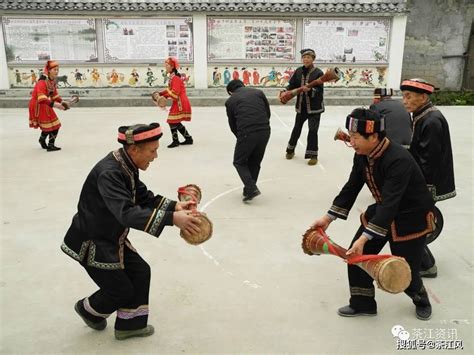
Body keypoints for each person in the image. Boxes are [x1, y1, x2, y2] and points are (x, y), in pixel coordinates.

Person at [61, 123, 201, 340]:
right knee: (120, 290)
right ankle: (87, 310)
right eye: (152, 150)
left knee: (141, 272)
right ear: (134, 149)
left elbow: (142, 196)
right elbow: (126, 213)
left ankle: (130, 326)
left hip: (112, 237)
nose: (155, 156)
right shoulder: (110, 173)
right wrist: (173, 219)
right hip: (93, 242)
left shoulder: (126, 164)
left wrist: (175, 207)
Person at [311, 108, 434, 320]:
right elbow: (352, 187)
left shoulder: (398, 159)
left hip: (409, 217)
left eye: (356, 137)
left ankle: (421, 299)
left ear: (374, 136)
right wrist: (328, 217)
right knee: (356, 258)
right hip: (383, 211)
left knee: (406, 271)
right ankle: (363, 304)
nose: (352, 142)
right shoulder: (362, 155)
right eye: (350, 137)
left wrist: (364, 237)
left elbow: (391, 203)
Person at [400, 78, 456, 278]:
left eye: (408, 97)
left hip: (428, 184)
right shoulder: (421, 114)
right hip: (424, 181)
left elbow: (428, 161)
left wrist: (417, 187)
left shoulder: (431, 120)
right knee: (414, 222)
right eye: (403, 96)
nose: (404, 101)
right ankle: (422, 261)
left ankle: (427, 265)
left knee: (414, 222)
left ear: (423, 97)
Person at [225, 80, 271, 202]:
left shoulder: (230, 101)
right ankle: (249, 189)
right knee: (255, 161)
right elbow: (267, 112)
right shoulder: (258, 92)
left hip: (247, 132)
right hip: (265, 130)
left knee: (239, 162)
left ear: (230, 92)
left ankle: (251, 187)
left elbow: (232, 124)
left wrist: (240, 136)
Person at [284, 48, 324, 166]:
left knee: (312, 130)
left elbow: (320, 90)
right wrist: (285, 90)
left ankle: (313, 155)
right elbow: (292, 85)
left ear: (313, 59)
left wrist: (311, 89)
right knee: (296, 128)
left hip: (314, 108)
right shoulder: (298, 71)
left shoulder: (319, 73)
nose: (306, 59)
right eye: (304, 57)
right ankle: (290, 150)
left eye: (309, 57)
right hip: (301, 106)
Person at [28, 60, 66, 151]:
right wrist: (56, 105)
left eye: (57, 70)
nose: (57, 71)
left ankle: (44, 141)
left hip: (46, 103)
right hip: (38, 104)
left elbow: (54, 95)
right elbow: (41, 98)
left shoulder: (52, 81)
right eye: (54, 70)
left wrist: (62, 102)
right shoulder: (42, 82)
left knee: (55, 125)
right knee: (50, 126)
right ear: (48, 70)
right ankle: (49, 144)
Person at [157, 57, 193, 148]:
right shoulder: (173, 77)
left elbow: (175, 93)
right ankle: (188, 138)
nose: (165, 67)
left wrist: (163, 95)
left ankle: (176, 141)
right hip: (179, 101)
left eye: (167, 65)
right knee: (174, 121)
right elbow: (170, 90)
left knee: (172, 121)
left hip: (180, 102)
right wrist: (161, 93)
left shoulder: (175, 78)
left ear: (172, 67)